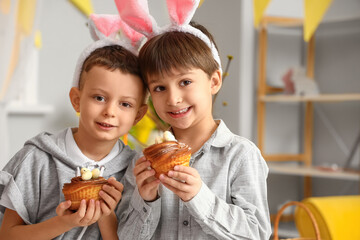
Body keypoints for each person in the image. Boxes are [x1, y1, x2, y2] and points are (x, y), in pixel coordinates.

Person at [115, 0, 272, 239]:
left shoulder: (240, 156)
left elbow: (257, 233)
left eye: (185, 82)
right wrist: (146, 200)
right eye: (159, 88)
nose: (173, 99)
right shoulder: (143, 161)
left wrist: (200, 197)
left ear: (214, 81)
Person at [0, 14, 148, 239]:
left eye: (125, 104)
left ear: (138, 115)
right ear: (77, 99)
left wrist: (107, 215)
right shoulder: (37, 158)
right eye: (99, 98)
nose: (110, 111)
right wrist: (64, 222)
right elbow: (8, 235)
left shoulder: (135, 172)